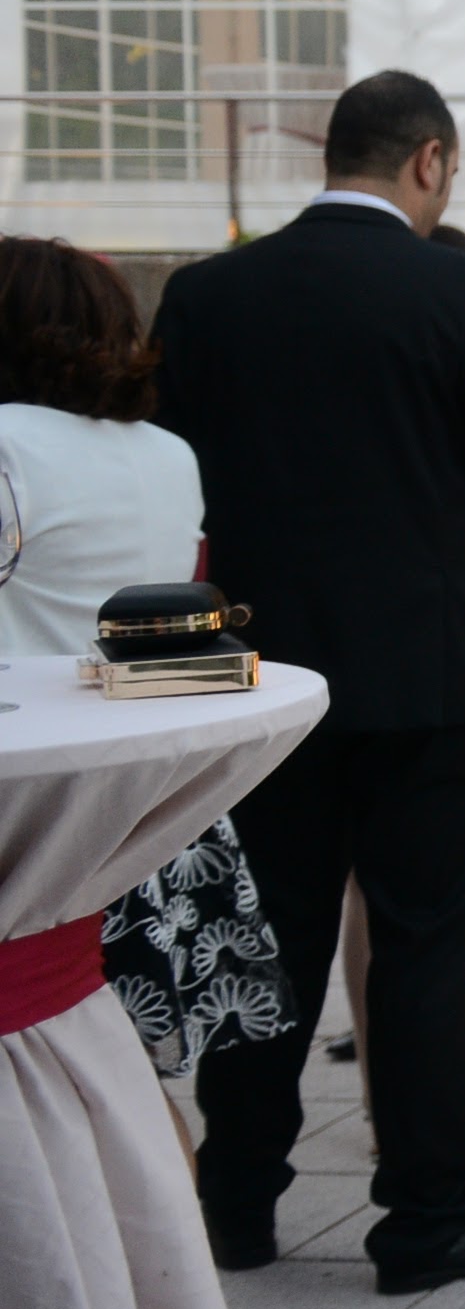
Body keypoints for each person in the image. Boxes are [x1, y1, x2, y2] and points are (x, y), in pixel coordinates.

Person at [155, 70, 465, 1293]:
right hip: (425, 671)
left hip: (259, 672)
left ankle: (238, 1199)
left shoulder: (207, 294)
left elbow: (174, 479)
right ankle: (430, 1216)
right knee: (422, 945)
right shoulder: (461, 292)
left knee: (265, 940)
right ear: (430, 160)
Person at [0, 239, 290, 1078]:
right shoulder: (167, 452)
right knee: (117, 1064)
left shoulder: (10, 444)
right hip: (145, 796)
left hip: (29, 807)